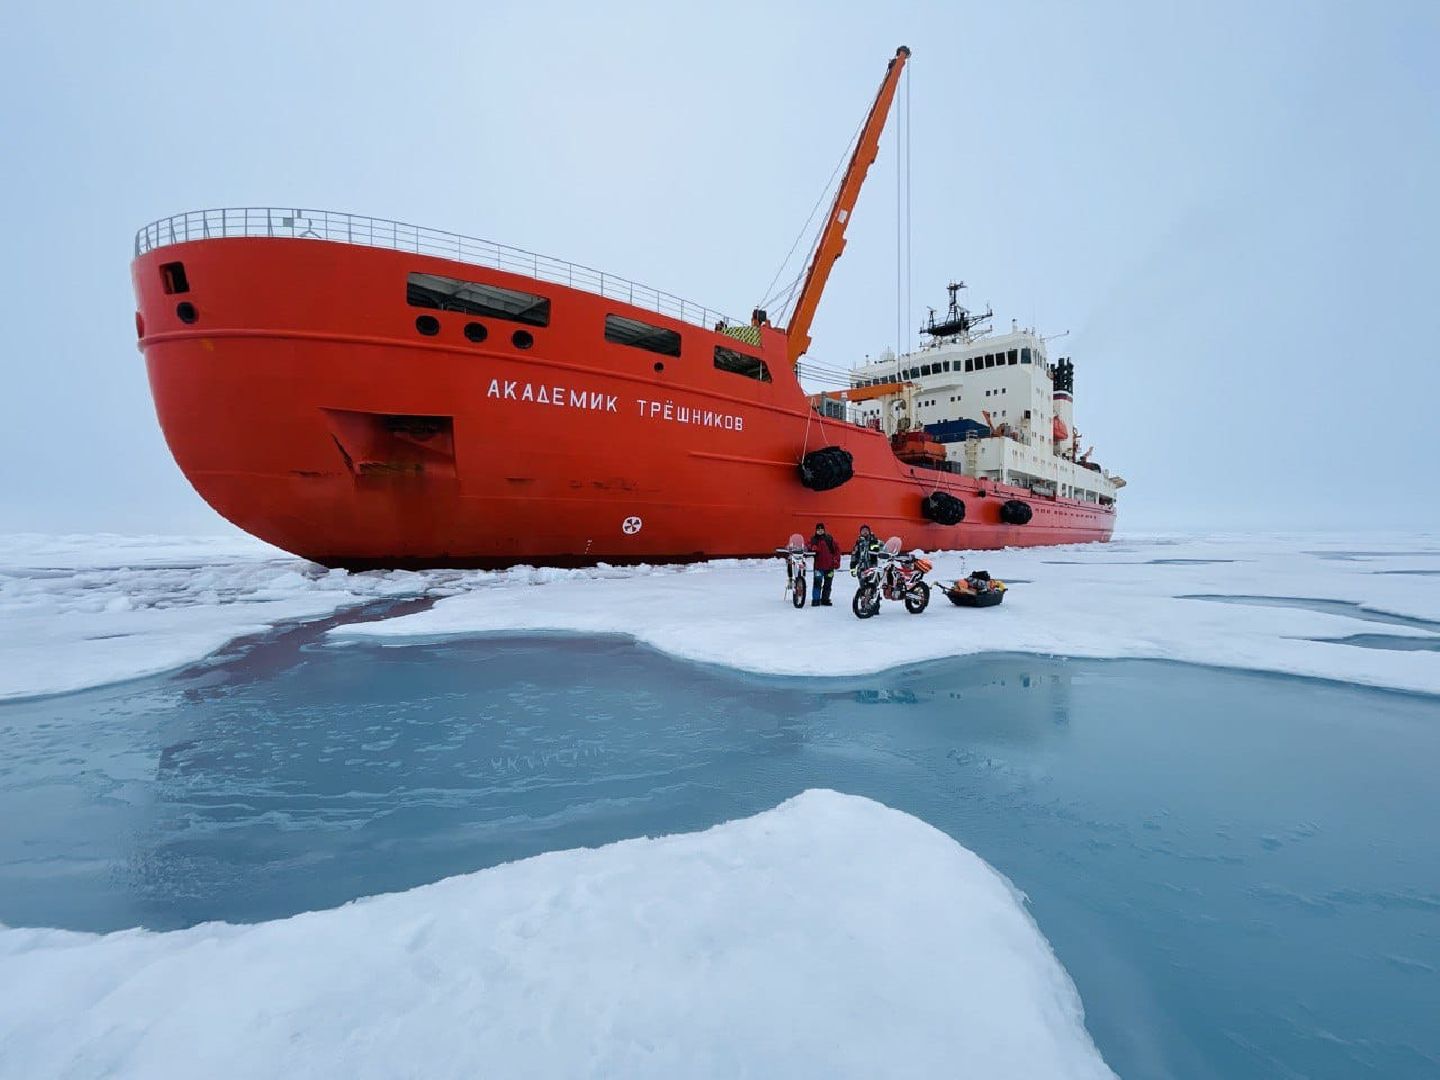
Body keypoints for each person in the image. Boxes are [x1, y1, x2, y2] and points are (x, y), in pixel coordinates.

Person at [806, 522, 841, 606]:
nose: (820, 531)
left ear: (824, 530)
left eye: (821, 529)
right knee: (817, 584)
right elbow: (807, 546)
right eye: (818, 529)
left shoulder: (829, 538)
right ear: (816, 530)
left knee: (828, 584)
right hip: (818, 566)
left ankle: (825, 599)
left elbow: (836, 550)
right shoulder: (813, 539)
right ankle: (816, 600)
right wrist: (811, 547)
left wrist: (836, 561)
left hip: (830, 566)